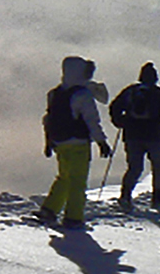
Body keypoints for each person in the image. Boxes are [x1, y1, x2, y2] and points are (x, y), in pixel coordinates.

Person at [38, 56, 113, 228]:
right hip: (79, 143)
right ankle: (73, 217)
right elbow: (91, 120)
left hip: (59, 143)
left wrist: (48, 141)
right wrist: (101, 142)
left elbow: (48, 119)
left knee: (64, 177)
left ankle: (49, 210)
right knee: (78, 181)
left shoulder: (54, 93)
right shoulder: (82, 94)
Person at [109, 61, 160, 210]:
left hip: (132, 135)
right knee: (157, 167)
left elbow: (114, 107)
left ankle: (125, 196)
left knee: (134, 168)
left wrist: (119, 122)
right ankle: (157, 199)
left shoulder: (130, 91)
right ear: (155, 78)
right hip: (154, 136)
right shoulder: (159, 93)